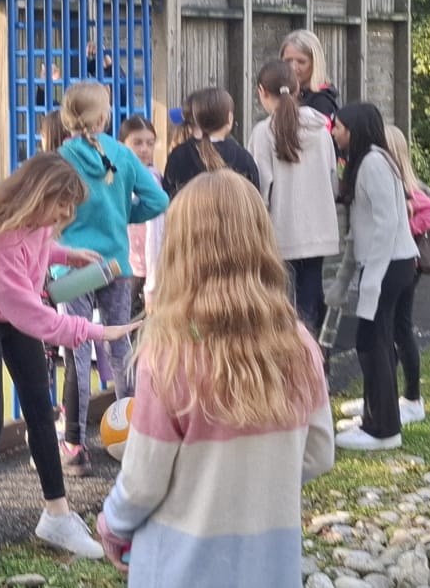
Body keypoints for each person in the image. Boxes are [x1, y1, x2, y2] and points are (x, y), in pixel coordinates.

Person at [96, 171, 335, 585]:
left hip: (180, 568)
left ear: (181, 250)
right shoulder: (298, 346)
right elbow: (319, 454)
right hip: (268, 568)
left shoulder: (170, 352)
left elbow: (143, 481)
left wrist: (112, 524)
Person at [0, 153, 137, 579]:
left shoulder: (36, 222)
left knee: (39, 411)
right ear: (37, 195)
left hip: (17, 315)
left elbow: (37, 247)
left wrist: (67, 255)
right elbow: (37, 319)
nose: (66, 214)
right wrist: (97, 331)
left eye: (70, 206)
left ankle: (57, 514)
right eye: (62, 204)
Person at [56, 83, 170, 473]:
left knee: (76, 350)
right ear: (104, 117)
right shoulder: (122, 155)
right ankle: (132, 433)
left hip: (73, 267)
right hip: (117, 266)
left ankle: (75, 445)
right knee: (119, 347)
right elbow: (158, 200)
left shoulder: (61, 159)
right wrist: (123, 216)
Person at [329, 103, 421, 451]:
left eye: (339, 126)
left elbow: (387, 223)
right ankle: (375, 416)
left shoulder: (373, 163)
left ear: (355, 130)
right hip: (388, 264)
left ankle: (383, 430)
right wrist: (344, 279)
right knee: (373, 341)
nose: (334, 132)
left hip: (391, 265)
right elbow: (360, 230)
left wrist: (373, 277)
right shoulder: (365, 162)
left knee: (373, 342)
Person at [341, 125, 430, 431]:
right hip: (399, 261)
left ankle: (411, 398)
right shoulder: (387, 177)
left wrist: (406, 227)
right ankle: (381, 396)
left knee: (398, 330)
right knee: (390, 331)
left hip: (402, 262)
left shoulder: (406, 187)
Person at [247, 61, 339, 334]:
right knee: (311, 300)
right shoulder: (321, 132)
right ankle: (313, 353)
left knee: (279, 302)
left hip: (280, 230)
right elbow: (332, 177)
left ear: (262, 91)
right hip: (318, 228)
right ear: (298, 88)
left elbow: (260, 188)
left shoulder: (263, 133)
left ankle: (284, 355)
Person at [162, 87, 260, 196]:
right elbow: (255, 197)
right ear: (229, 118)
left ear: (195, 119)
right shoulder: (243, 158)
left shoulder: (178, 155)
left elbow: (168, 197)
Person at [117, 115, 162, 325]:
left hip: (144, 269)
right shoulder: (117, 175)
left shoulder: (151, 179)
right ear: (121, 144)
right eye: (137, 143)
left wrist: (152, 282)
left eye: (150, 143)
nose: (144, 149)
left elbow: (155, 233)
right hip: (123, 264)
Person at [280, 30, 340, 123]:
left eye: (301, 62)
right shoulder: (287, 93)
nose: (293, 67)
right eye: (288, 61)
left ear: (315, 63)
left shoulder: (320, 101)